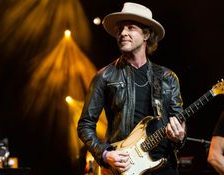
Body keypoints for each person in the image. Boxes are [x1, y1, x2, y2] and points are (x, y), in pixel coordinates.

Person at [77, 2, 186, 175]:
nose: (123, 33)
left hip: (163, 167)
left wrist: (180, 137)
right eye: (120, 29)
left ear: (146, 34)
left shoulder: (167, 77)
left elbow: (178, 122)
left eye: (130, 28)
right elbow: (85, 125)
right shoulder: (104, 76)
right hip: (124, 167)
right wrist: (105, 154)